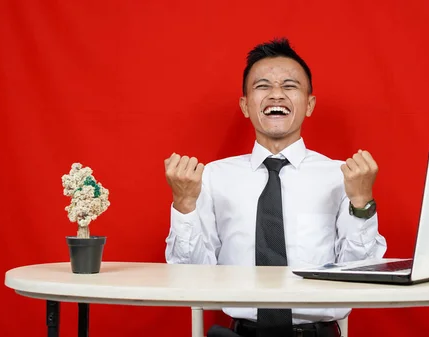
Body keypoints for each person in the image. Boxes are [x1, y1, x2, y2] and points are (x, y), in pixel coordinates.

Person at [164, 37, 387, 337]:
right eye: (263, 86)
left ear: (309, 105)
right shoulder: (214, 176)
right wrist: (184, 206)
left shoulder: (340, 175)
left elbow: (362, 275)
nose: (276, 95)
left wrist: (362, 204)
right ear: (245, 105)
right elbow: (189, 277)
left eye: (290, 86)